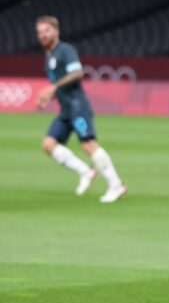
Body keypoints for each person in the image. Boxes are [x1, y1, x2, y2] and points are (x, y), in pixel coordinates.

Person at [34, 16, 127, 203]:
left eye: (47, 31)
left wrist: (53, 87)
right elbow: (60, 85)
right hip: (66, 110)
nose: (43, 35)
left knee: (88, 144)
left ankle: (116, 185)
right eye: (40, 32)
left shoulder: (65, 50)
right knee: (48, 145)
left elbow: (77, 73)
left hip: (78, 107)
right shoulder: (49, 57)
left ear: (56, 31)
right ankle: (86, 172)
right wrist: (48, 96)